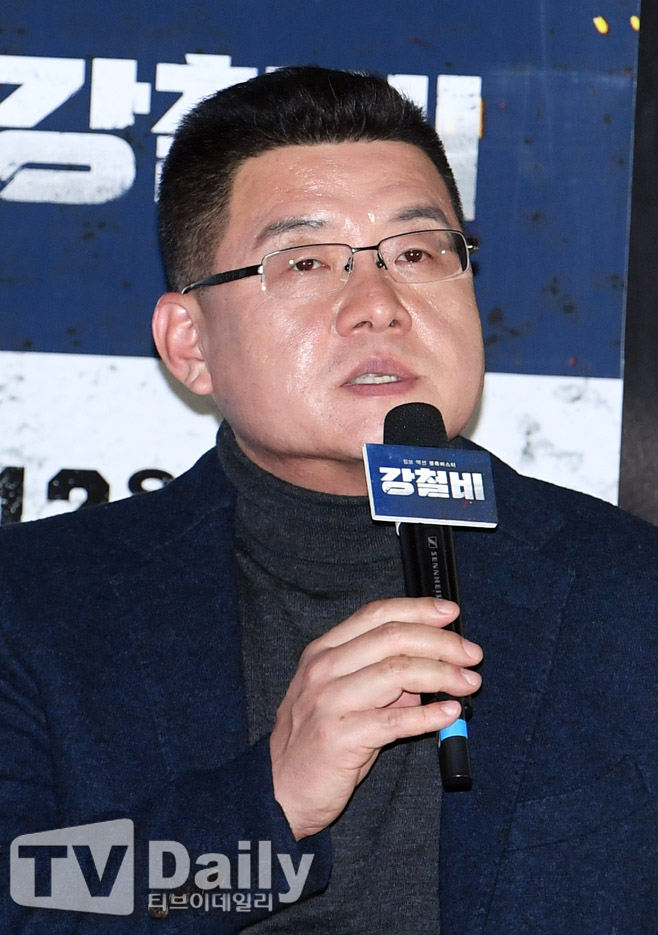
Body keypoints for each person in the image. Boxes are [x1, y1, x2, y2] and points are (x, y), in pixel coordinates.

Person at [1, 65, 657, 934]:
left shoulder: (630, 593)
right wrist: (267, 803)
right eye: (306, 261)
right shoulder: (35, 607)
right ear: (190, 344)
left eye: (416, 253)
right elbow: (25, 899)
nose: (379, 305)